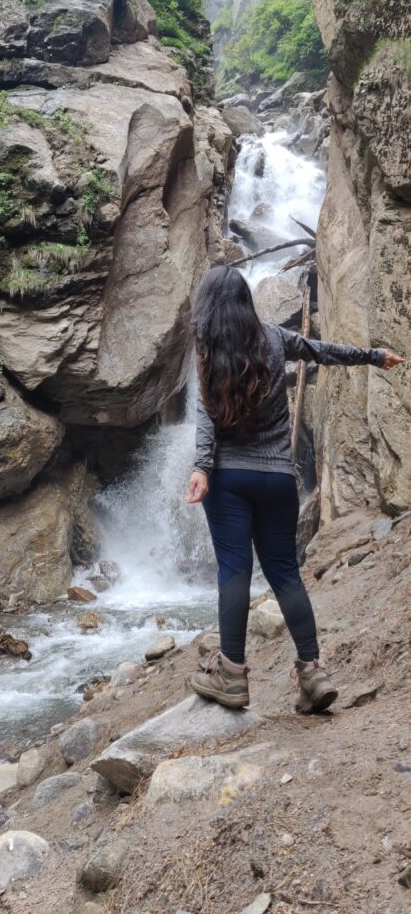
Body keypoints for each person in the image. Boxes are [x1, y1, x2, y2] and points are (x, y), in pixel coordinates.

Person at [185, 265, 404, 713]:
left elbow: (206, 419)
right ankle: (312, 670)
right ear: (246, 301)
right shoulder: (272, 338)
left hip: (229, 482)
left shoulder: (206, 352)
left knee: (235, 570)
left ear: (207, 308)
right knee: (284, 571)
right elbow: (322, 351)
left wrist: (202, 470)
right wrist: (373, 355)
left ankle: (231, 673)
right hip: (278, 479)